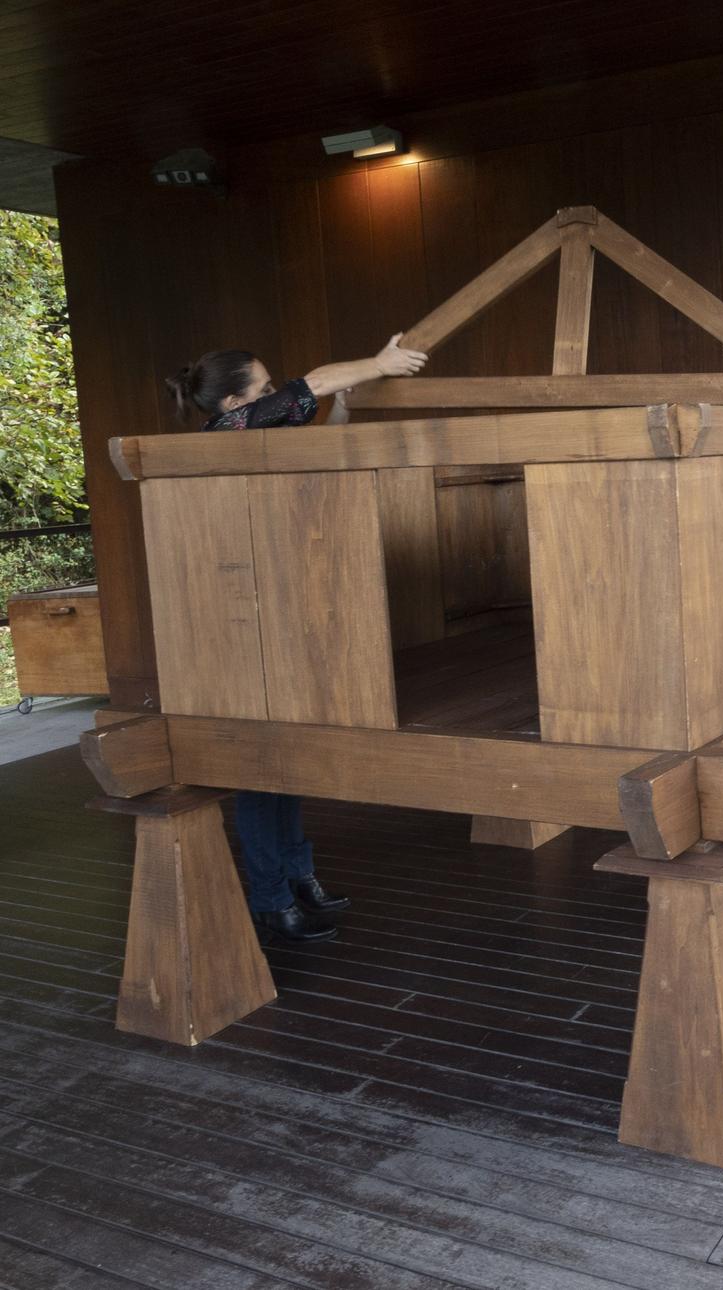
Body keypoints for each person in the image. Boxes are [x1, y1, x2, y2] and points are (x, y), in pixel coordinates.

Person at [163, 335, 429, 943]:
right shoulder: (225, 433)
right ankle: (270, 897)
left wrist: (347, 405)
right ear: (235, 402)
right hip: (237, 628)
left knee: (288, 763)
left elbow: (317, 434)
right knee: (260, 770)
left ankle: (298, 878)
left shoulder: (256, 433)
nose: (276, 390)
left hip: (276, 617)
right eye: (264, 384)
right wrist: (379, 363)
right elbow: (311, 380)